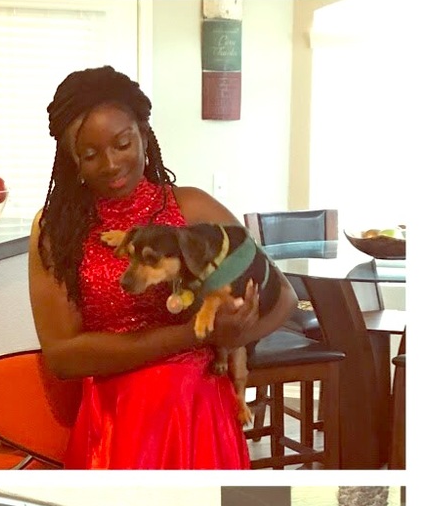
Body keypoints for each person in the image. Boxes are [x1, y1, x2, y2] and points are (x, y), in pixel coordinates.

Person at [29, 66, 297, 468]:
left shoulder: (193, 209)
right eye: (89, 154)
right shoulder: (56, 231)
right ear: (71, 160)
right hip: (116, 423)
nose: (110, 164)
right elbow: (63, 357)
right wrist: (195, 333)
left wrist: (233, 335)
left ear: (143, 133)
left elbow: (285, 298)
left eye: (122, 143)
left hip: (200, 414)